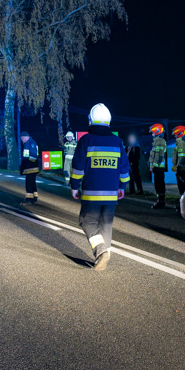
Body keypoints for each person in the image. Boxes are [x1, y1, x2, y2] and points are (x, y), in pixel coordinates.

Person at [70, 103, 130, 270]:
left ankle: (101, 251)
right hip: (111, 194)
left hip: (91, 193)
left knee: (87, 221)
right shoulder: (117, 142)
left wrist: (74, 186)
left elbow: (78, 168)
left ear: (90, 120)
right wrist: (122, 187)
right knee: (106, 224)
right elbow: (124, 169)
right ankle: (103, 257)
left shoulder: (86, 140)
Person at [171, 125, 185, 212]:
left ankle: (183, 207)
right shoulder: (184, 142)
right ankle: (184, 206)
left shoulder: (181, 143)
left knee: (182, 188)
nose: (175, 135)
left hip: (182, 169)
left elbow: (182, 158)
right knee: (183, 188)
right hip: (184, 169)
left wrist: (177, 167)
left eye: (176, 134)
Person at [148, 123, 167, 209]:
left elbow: (160, 156)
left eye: (153, 132)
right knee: (157, 184)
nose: (152, 134)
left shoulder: (160, 141)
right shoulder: (157, 141)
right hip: (157, 168)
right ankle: (159, 200)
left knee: (159, 185)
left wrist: (154, 166)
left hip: (158, 168)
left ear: (157, 131)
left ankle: (161, 201)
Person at [19, 131, 40, 204]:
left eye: (22, 138)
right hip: (31, 167)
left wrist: (27, 164)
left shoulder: (31, 143)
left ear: (25, 137)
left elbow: (33, 156)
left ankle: (29, 198)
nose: (21, 140)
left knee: (29, 183)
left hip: (31, 168)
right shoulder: (29, 143)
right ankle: (34, 197)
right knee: (32, 182)